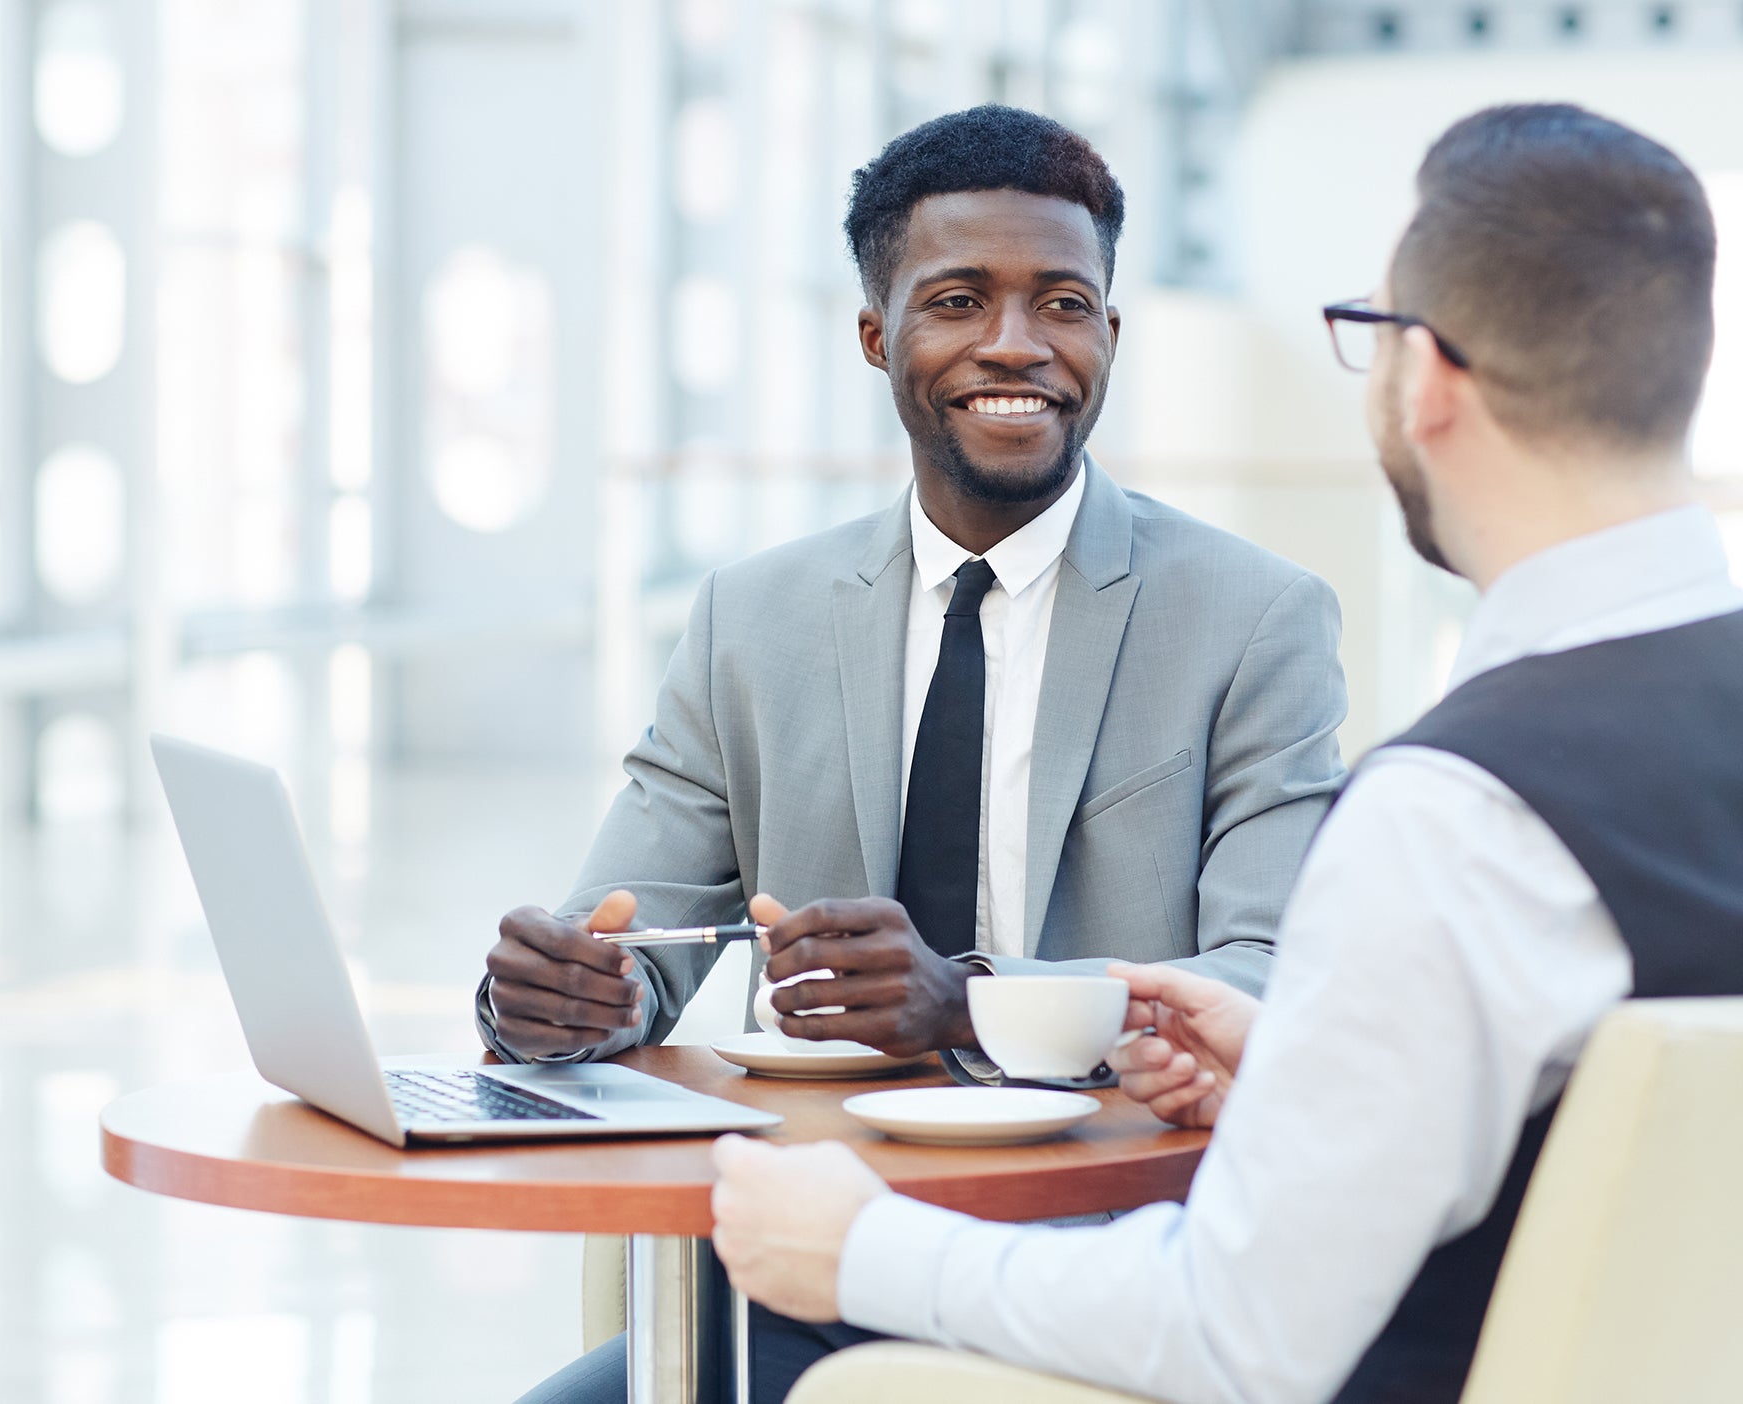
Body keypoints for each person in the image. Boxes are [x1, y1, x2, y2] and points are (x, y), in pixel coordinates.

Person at [710, 102, 1743, 1404]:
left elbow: (1235, 1335)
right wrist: (1301, 1064)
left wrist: (856, 1244)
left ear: (1423, 376)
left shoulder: (1462, 809)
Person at [494, 105, 1348, 1402]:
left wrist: (972, 999)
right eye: (959, 300)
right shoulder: (754, 617)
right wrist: (561, 996)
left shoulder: (1254, 618)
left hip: (1116, 1265)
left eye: (1063, 303)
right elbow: (632, 939)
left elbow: (1266, 977)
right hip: (802, 1261)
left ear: (1108, 336)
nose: (1018, 345)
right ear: (877, 335)